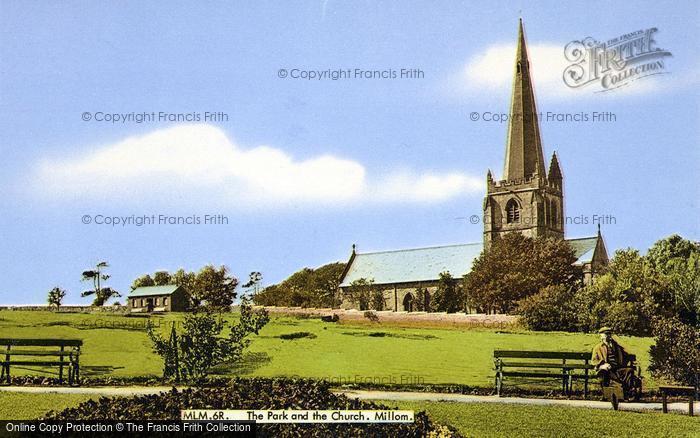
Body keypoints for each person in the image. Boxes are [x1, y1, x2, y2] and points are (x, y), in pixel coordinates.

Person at [591, 327, 639, 397]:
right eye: (606, 334)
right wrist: (603, 365)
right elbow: (594, 361)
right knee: (604, 374)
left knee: (629, 370)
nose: (608, 336)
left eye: (609, 334)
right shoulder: (598, 347)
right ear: (601, 336)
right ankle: (606, 395)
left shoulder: (616, 346)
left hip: (617, 368)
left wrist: (618, 341)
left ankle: (625, 392)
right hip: (606, 369)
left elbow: (628, 353)